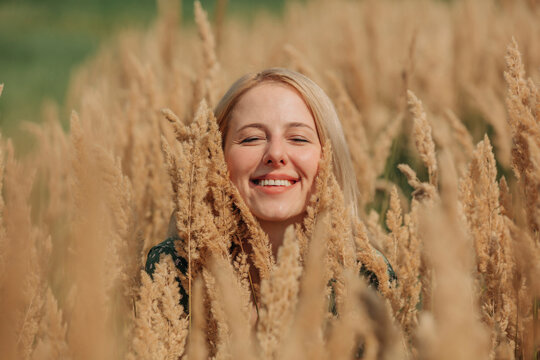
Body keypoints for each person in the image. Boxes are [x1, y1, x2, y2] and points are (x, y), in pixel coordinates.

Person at [145, 68, 396, 315]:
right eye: (251, 139)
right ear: (217, 156)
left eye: (298, 138)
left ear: (329, 157)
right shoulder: (177, 269)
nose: (275, 155)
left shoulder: (365, 277)